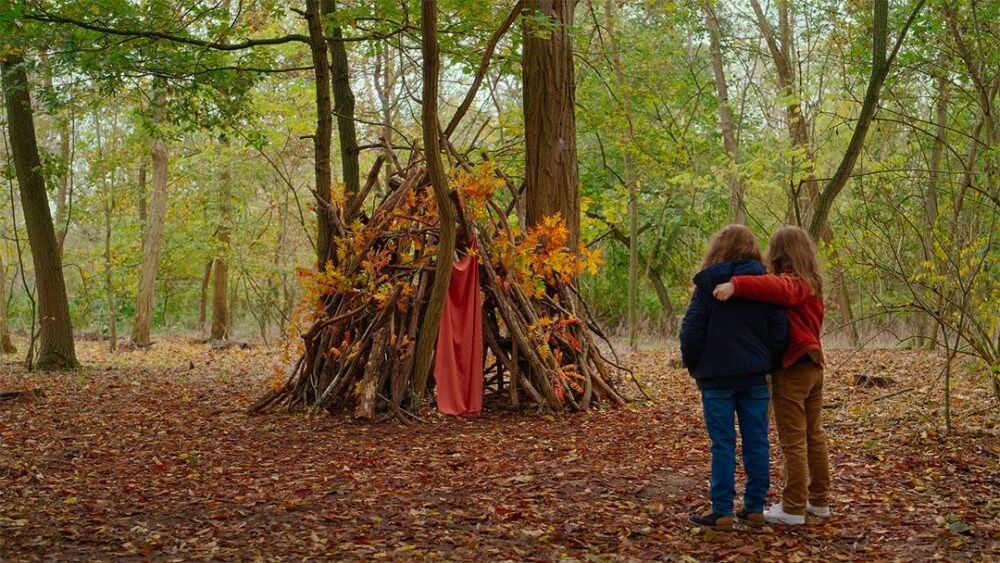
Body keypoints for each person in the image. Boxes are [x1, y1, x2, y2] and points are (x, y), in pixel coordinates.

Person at [713, 225, 831, 525]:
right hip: (813, 366)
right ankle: (819, 501)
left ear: (779, 253)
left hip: (794, 368)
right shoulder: (813, 282)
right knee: (813, 436)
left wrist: (737, 285)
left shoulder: (795, 283)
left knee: (794, 440)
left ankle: (793, 507)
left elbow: (778, 288)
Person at [680, 225, 788, 530]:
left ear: (718, 248)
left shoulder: (707, 287)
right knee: (757, 440)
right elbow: (779, 331)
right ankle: (754, 508)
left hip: (716, 379)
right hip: (754, 377)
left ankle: (723, 510)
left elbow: (691, 332)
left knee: (723, 444)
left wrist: (696, 366)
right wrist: (768, 362)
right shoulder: (765, 286)